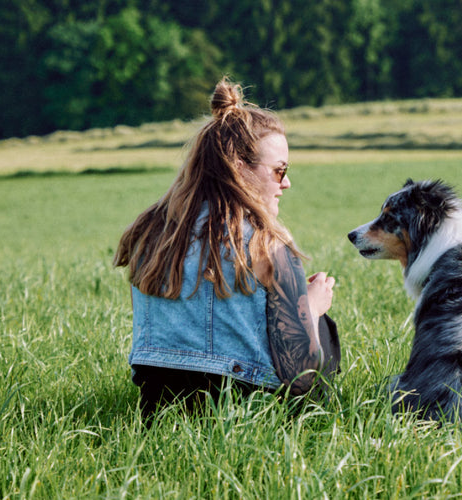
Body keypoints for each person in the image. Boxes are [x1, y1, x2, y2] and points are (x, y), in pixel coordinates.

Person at [114, 78, 340, 422]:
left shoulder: (149, 232)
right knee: (321, 326)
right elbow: (301, 377)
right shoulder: (266, 243)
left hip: (157, 406)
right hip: (243, 411)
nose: (286, 182)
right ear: (239, 168)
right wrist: (311, 306)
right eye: (279, 170)